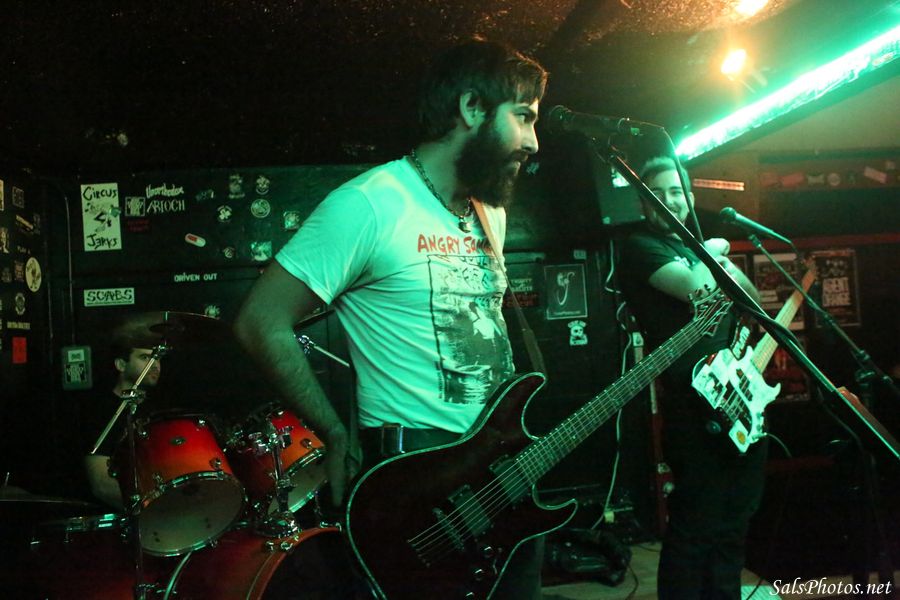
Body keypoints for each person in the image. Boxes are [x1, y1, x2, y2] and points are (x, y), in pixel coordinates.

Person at [234, 39, 548, 599]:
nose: (533, 140)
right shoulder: (370, 203)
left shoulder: (489, 211)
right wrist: (333, 432)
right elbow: (261, 321)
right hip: (417, 484)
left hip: (500, 471)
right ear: (472, 107)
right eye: (523, 116)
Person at [617, 156, 767, 599]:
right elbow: (696, 290)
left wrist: (721, 262)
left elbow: (753, 302)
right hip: (691, 402)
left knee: (735, 518)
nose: (668, 201)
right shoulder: (642, 246)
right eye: (657, 195)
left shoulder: (694, 248)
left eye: (676, 192)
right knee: (697, 520)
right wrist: (715, 248)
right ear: (643, 203)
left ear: (690, 197)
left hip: (736, 396)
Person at [81, 341, 162, 509]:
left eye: (158, 358)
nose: (155, 364)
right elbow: (101, 485)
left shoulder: (160, 412)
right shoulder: (100, 411)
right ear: (121, 365)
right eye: (145, 357)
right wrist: (154, 509)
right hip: (124, 516)